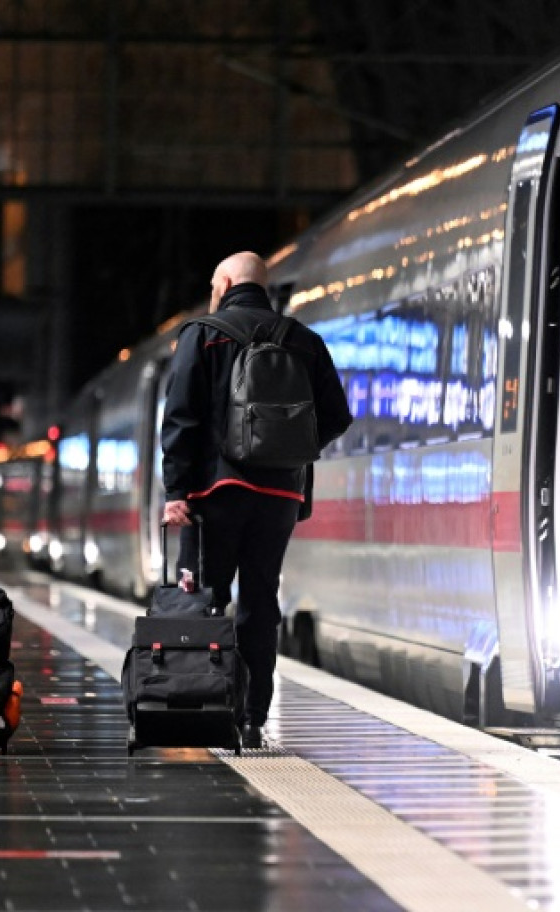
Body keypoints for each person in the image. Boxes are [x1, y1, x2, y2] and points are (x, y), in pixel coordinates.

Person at [161, 251, 352, 748]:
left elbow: (181, 417)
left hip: (214, 494)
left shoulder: (201, 333)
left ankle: (206, 705)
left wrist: (177, 492)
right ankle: (251, 718)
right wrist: (286, 451)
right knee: (260, 602)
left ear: (223, 283)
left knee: (204, 600)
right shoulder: (303, 342)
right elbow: (336, 416)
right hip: (279, 495)